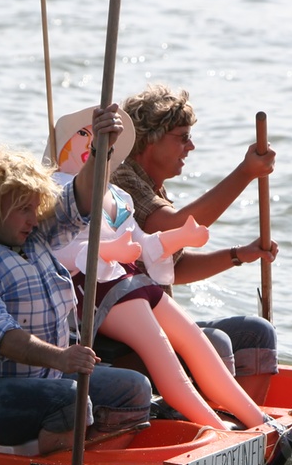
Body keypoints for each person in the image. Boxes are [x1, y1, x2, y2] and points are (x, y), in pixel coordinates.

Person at [0, 105, 152, 454]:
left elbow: (79, 201)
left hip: (41, 380)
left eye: (35, 207)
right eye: (25, 208)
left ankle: (83, 454)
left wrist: (102, 150)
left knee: (134, 389)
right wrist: (61, 358)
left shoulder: (24, 231)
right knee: (69, 399)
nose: (34, 217)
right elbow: (3, 337)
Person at [48, 107, 266, 429]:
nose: (91, 143)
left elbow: (145, 244)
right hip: (92, 291)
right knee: (160, 349)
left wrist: (180, 236)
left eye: (100, 139)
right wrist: (108, 250)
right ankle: (218, 429)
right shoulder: (54, 192)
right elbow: (55, 252)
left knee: (194, 338)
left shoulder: (117, 196)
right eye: (83, 135)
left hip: (130, 282)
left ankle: (257, 420)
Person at [109, 84, 280, 405]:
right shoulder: (122, 179)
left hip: (161, 323)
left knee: (257, 332)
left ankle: (245, 434)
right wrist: (245, 173)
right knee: (215, 342)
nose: (191, 147)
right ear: (150, 138)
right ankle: (215, 428)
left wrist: (239, 255)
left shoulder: (155, 190)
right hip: (125, 340)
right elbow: (177, 226)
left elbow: (177, 267)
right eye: (182, 137)